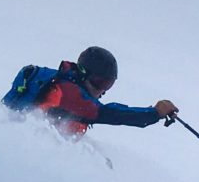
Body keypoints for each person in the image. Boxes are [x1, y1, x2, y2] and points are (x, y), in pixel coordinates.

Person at [32, 46, 177, 138]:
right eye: (100, 83)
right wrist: (154, 113)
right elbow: (109, 113)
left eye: (108, 84)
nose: (102, 90)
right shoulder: (69, 95)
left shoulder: (62, 83)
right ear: (83, 74)